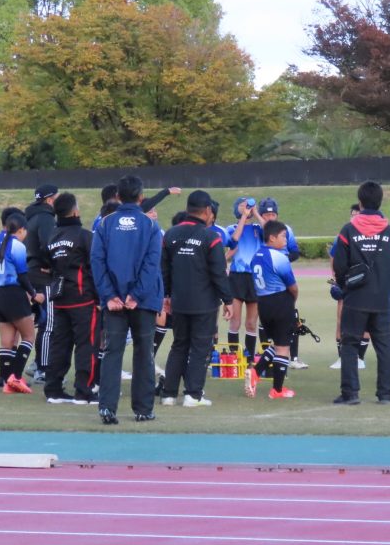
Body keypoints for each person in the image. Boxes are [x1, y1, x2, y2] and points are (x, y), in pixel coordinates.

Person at [90, 175, 164, 424]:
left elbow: (97, 262)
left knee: (112, 351)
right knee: (144, 352)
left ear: (118, 197)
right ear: (141, 197)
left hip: (114, 301)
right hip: (143, 300)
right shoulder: (151, 225)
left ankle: (107, 408)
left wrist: (110, 295)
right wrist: (136, 295)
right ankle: (143, 409)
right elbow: (152, 264)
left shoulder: (105, 223)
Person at [160, 190, 233, 407]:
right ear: (208, 210)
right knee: (201, 348)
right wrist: (228, 300)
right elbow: (218, 273)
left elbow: (164, 270)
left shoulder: (170, 234)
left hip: (179, 301)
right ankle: (193, 394)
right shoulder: (211, 237)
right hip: (204, 302)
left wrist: (166, 295)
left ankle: (168, 394)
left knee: (179, 345)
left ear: (187, 208)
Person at [330, 181, 390, 406]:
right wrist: (387, 288)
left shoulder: (348, 230)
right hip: (382, 299)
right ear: (380, 201)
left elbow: (339, 266)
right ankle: (385, 394)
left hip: (355, 297)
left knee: (350, 344)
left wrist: (345, 286)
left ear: (360, 202)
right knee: (384, 347)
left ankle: (350, 393)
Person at [43, 193, 100, 405]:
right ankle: (84, 391)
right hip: (83, 298)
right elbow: (95, 268)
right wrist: (99, 297)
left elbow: (46, 265)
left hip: (60, 298)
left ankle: (53, 389)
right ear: (75, 211)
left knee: (60, 344)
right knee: (87, 345)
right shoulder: (85, 236)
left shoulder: (52, 237)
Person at [245, 219, 301, 399]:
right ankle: (277, 390)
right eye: (283, 236)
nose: (285, 240)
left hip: (263, 303)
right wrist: (292, 301)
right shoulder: (279, 257)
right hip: (280, 301)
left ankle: (256, 372)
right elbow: (292, 286)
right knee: (284, 347)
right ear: (272, 237)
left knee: (276, 344)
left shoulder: (256, 256)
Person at [0, 212, 43, 394]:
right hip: (13, 294)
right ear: (21, 230)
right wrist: (34, 294)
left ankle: (6, 380)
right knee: (28, 336)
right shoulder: (17, 246)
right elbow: (22, 276)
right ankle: (16, 378)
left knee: (6, 342)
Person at [258, 197, 308, 369]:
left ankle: (293, 358)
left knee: (290, 318)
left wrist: (282, 259)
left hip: (282, 276)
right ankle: (266, 356)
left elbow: (295, 252)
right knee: (266, 321)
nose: (270, 217)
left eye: (273, 214)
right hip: (266, 282)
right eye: (266, 215)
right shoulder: (259, 231)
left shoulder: (285, 230)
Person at [329, 203, 370, 371]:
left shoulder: (369, 235)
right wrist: (335, 279)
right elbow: (333, 257)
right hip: (346, 284)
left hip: (365, 285)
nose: (354, 218)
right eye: (352, 215)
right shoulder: (343, 234)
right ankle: (342, 358)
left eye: (357, 215)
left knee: (365, 321)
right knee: (341, 320)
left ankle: (359, 358)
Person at [24, 183, 59, 383]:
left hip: (31, 271)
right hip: (42, 274)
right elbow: (48, 245)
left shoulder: (30, 216)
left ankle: (38, 364)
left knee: (44, 321)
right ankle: (43, 369)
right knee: (49, 323)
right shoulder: (46, 217)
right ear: (49, 199)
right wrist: (52, 266)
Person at [225, 197, 264, 363]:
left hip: (255, 277)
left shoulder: (258, 227)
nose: (246, 207)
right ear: (236, 209)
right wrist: (243, 217)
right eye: (242, 205)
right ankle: (234, 357)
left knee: (251, 323)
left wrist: (256, 213)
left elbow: (270, 232)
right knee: (235, 321)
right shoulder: (231, 228)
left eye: (247, 204)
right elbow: (234, 239)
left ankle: (249, 359)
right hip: (237, 277)